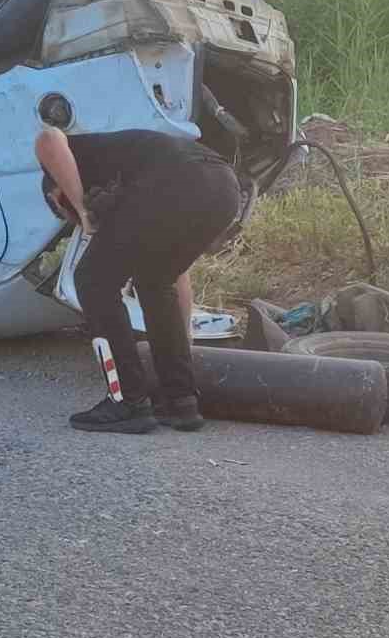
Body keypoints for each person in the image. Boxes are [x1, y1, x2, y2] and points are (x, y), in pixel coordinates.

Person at [35, 125, 240, 434]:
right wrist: (183, 347)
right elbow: (177, 278)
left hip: (176, 179)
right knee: (156, 279)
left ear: (56, 194)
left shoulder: (71, 160)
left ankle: (127, 401)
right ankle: (181, 402)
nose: (74, 222)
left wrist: (82, 210)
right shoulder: (126, 163)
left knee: (93, 279)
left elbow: (47, 137)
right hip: (224, 187)